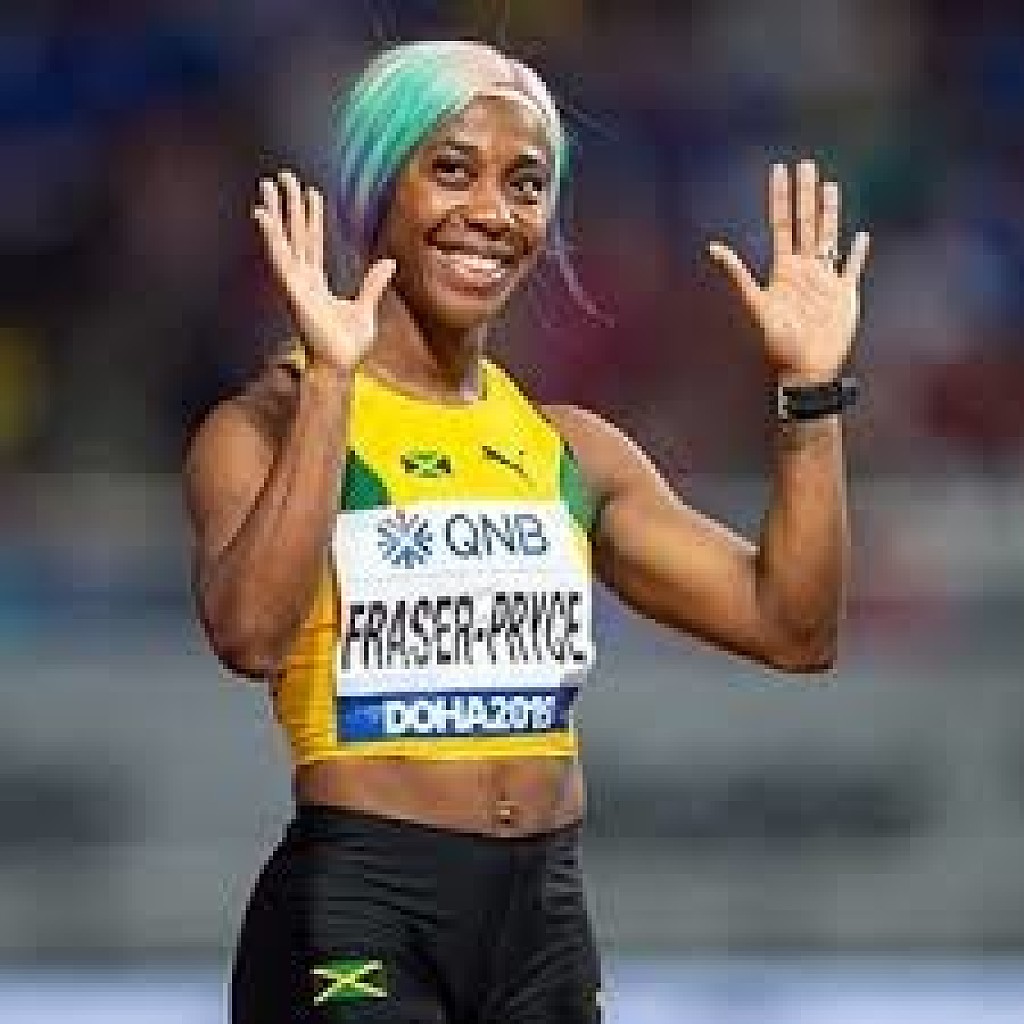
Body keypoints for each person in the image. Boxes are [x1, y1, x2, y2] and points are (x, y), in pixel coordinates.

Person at [184, 39, 870, 1024]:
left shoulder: (569, 449)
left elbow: (793, 627)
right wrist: (335, 382)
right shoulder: (267, 424)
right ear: (375, 191)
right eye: (451, 169)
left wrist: (809, 393)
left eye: (526, 183)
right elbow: (249, 636)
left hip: (544, 924)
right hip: (364, 912)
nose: (492, 212)